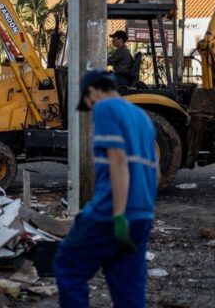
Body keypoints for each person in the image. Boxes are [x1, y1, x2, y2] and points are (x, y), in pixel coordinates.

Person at [54, 70, 159, 308]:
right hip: (142, 216)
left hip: (111, 213)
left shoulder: (105, 108)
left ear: (92, 92)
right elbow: (156, 171)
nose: (90, 110)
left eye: (88, 104)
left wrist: (120, 215)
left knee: (68, 265)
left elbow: (118, 161)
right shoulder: (141, 117)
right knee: (128, 286)